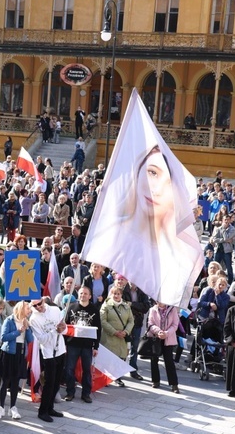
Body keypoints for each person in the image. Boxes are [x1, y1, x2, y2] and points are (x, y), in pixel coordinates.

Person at [82, 144, 203, 307]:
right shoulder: (110, 227)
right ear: (137, 171)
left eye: (166, 182)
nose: (155, 188)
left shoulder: (169, 245)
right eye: (152, 173)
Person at [0, 301, 33, 421]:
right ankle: (0, 407)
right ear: (21, 309)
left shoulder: (26, 321)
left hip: (20, 354)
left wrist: (28, 328)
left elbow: (30, 340)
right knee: (5, 381)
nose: (29, 311)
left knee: (15, 382)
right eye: (28, 308)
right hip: (9, 353)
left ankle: (13, 407)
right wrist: (18, 331)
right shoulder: (9, 320)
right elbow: (3, 338)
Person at [29, 297, 66, 423]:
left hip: (60, 349)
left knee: (57, 381)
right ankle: (42, 411)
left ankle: (50, 408)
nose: (38, 307)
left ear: (43, 301)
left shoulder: (55, 310)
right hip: (49, 353)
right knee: (49, 383)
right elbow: (42, 339)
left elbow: (64, 328)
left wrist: (62, 328)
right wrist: (55, 331)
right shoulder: (33, 319)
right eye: (35, 306)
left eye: (39, 304)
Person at [63, 287, 101, 403]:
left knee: (87, 370)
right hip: (72, 344)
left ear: (90, 296)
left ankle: (86, 394)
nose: (83, 295)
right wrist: (63, 344)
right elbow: (65, 327)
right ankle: (70, 392)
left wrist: (96, 346)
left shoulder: (94, 310)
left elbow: (98, 329)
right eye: (81, 293)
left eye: (85, 294)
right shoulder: (71, 307)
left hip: (87, 345)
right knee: (69, 369)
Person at [99, 287, 133, 387]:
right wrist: (114, 332)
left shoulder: (126, 306)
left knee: (119, 358)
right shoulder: (106, 305)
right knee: (108, 358)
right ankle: (105, 378)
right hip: (109, 337)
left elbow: (131, 320)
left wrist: (126, 331)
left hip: (122, 338)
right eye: (114, 293)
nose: (116, 295)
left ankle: (117, 377)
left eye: (118, 294)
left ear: (121, 295)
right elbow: (103, 320)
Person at [147, 301, 180, 393]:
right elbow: (150, 323)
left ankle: (174, 384)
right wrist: (158, 332)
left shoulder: (172, 309)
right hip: (155, 337)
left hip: (168, 338)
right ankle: (155, 380)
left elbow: (175, 324)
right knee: (154, 359)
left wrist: (166, 333)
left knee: (169, 361)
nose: (159, 301)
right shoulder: (152, 309)